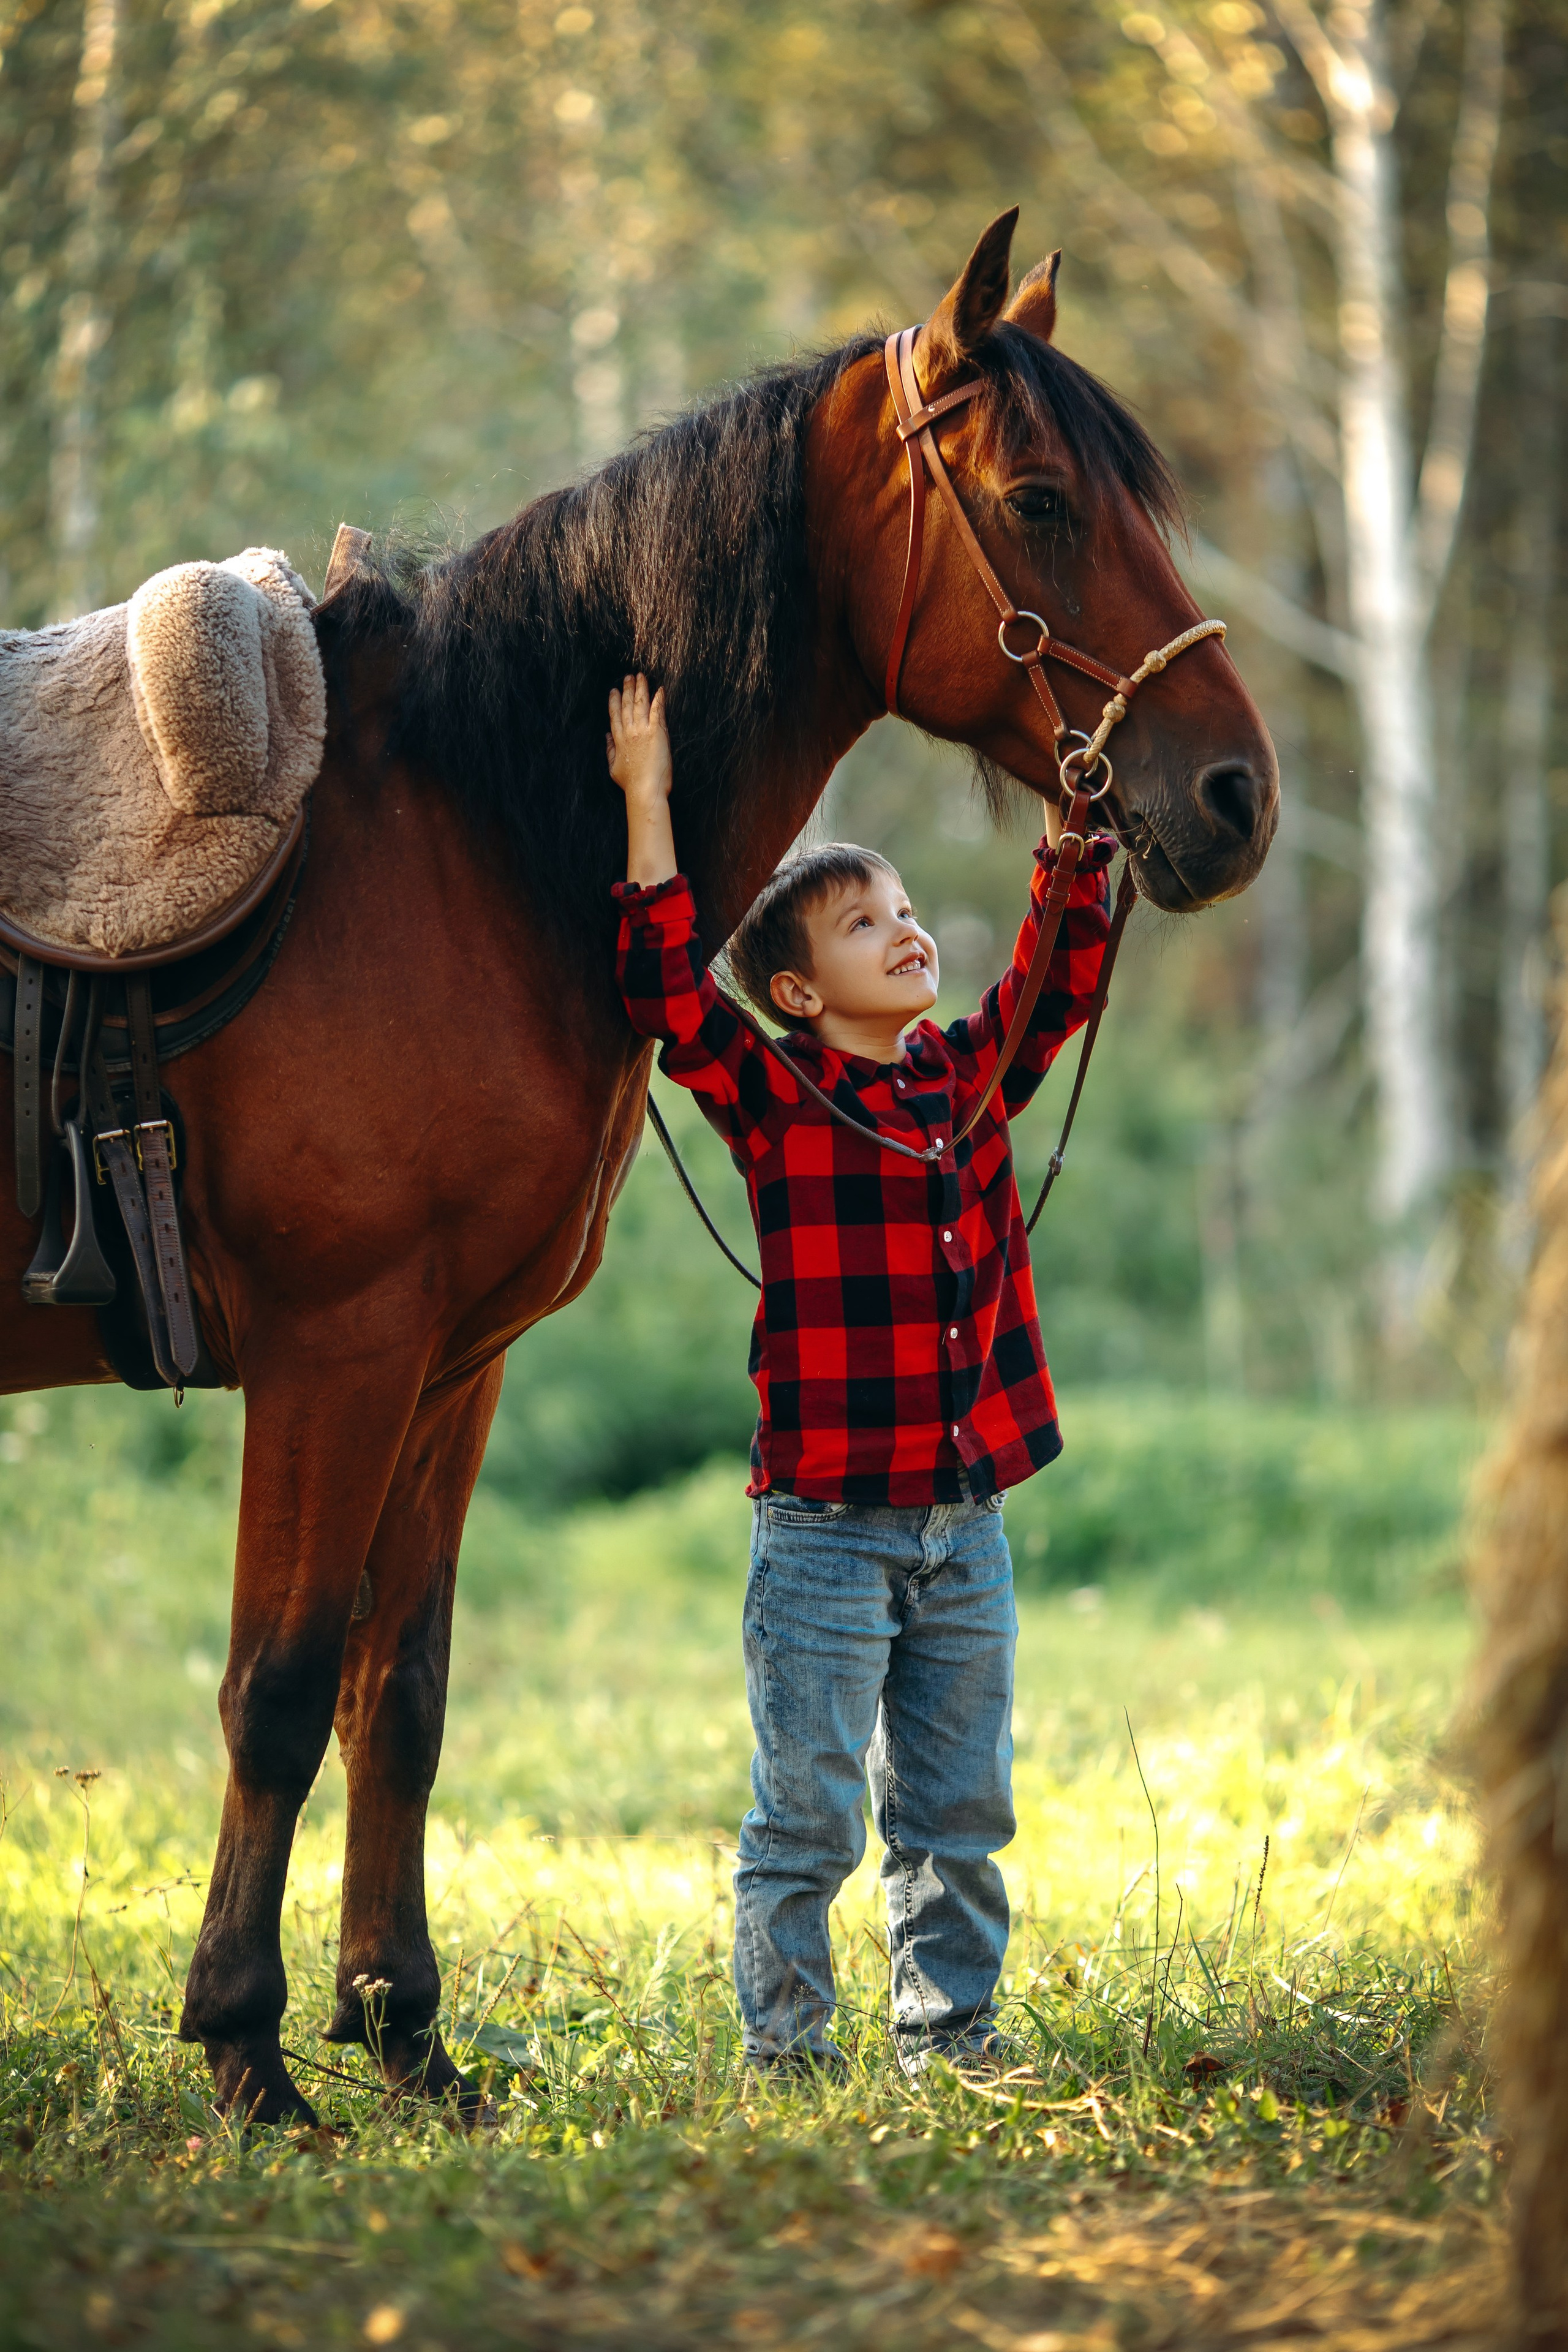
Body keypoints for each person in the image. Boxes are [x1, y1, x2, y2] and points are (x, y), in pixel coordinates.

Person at [607, 671, 1113, 2077]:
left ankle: (947, 2036)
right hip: (824, 1532)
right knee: (807, 1818)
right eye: (862, 924)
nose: (903, 931)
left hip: (965, 1524)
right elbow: (663, 989)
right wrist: (647, 796)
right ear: (794, 991)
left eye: (902, 910)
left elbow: (1056, 974)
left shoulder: (967, 1078)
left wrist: (1070, 825)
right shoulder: (773, 1093)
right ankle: (787, 2054)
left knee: (957, 1811)